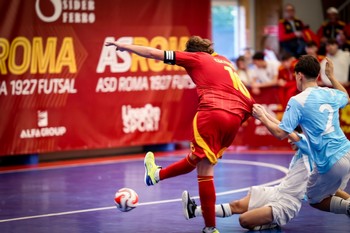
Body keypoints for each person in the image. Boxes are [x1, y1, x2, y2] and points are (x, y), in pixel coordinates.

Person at [105, 36, 255, 233]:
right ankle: (156, 175)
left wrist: (124, 46)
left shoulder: (196, 58)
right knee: (198, 159)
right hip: (236, 117)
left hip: (213, 112)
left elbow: (153, 53)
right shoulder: (225, 61)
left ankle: (210, 228)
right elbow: (249, 100)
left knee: (205, 170)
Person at [252, 55, 350, 218]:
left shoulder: (297, 101)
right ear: (318, 76)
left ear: (299, 75)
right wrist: (332, 77)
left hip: (330, 160)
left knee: (314, 199)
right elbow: (346, 98)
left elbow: (280, 133)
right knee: (333, 191)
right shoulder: (330, 93)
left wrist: (262, 117)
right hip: (347, 151)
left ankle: (348, 208)